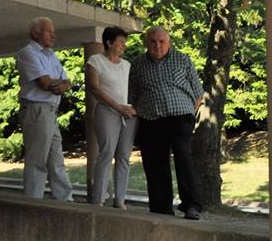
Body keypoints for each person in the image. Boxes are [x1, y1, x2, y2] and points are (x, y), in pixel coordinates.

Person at [128, 26, 205, 219]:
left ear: (169, 42)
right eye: (153, 42)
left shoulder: (183, 59)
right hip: (151, 119)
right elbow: (133, 96)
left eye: (161, 41)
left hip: (180, 117)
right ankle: (161, 208)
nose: (157, 46)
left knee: (183, 157)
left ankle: (191, 205)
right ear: (146, 43)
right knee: (155, 164)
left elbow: (198, 93)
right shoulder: (137, 64)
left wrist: (190, 114)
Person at [15, 17, 74, 201]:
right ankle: (33, 203)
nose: (54, 36)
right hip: (37, 109)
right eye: (49, 32)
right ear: (35, 33)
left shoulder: (51, 55)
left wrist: (62, 85)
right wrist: (59, 84)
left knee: (56, 159)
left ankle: (65, 201)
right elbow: (45, 83)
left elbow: (67, 81)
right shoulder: (27, 53)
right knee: (37, 160)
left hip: (50, 110)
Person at [86, 26, 136, 209]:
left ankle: (120, 200)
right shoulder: (95, 61)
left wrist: (131, 108)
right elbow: (94, 88)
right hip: (107, 111)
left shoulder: (127, 65)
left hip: (128, 114)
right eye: (121, 42)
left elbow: (133, 88)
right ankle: (99, 199)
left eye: (124, 42)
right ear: (109, 42)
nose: (124, 45)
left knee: (124, 156)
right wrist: (117, 107)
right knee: (107, 152)